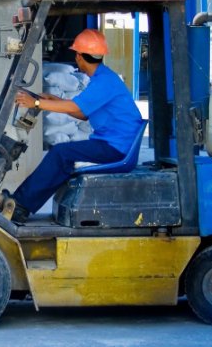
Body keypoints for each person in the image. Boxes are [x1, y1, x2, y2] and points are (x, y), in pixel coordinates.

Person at [8, 29, 143, 224]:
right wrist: (54, 100)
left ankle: (20, 205)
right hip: (113, 143)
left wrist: (36, 103)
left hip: (116, 148)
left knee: (61, 153)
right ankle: (22, 201)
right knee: (63, 154)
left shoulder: (104, 82)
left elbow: (75, 107)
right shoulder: (102, 78)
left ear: (79, 56)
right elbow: (81, 112)